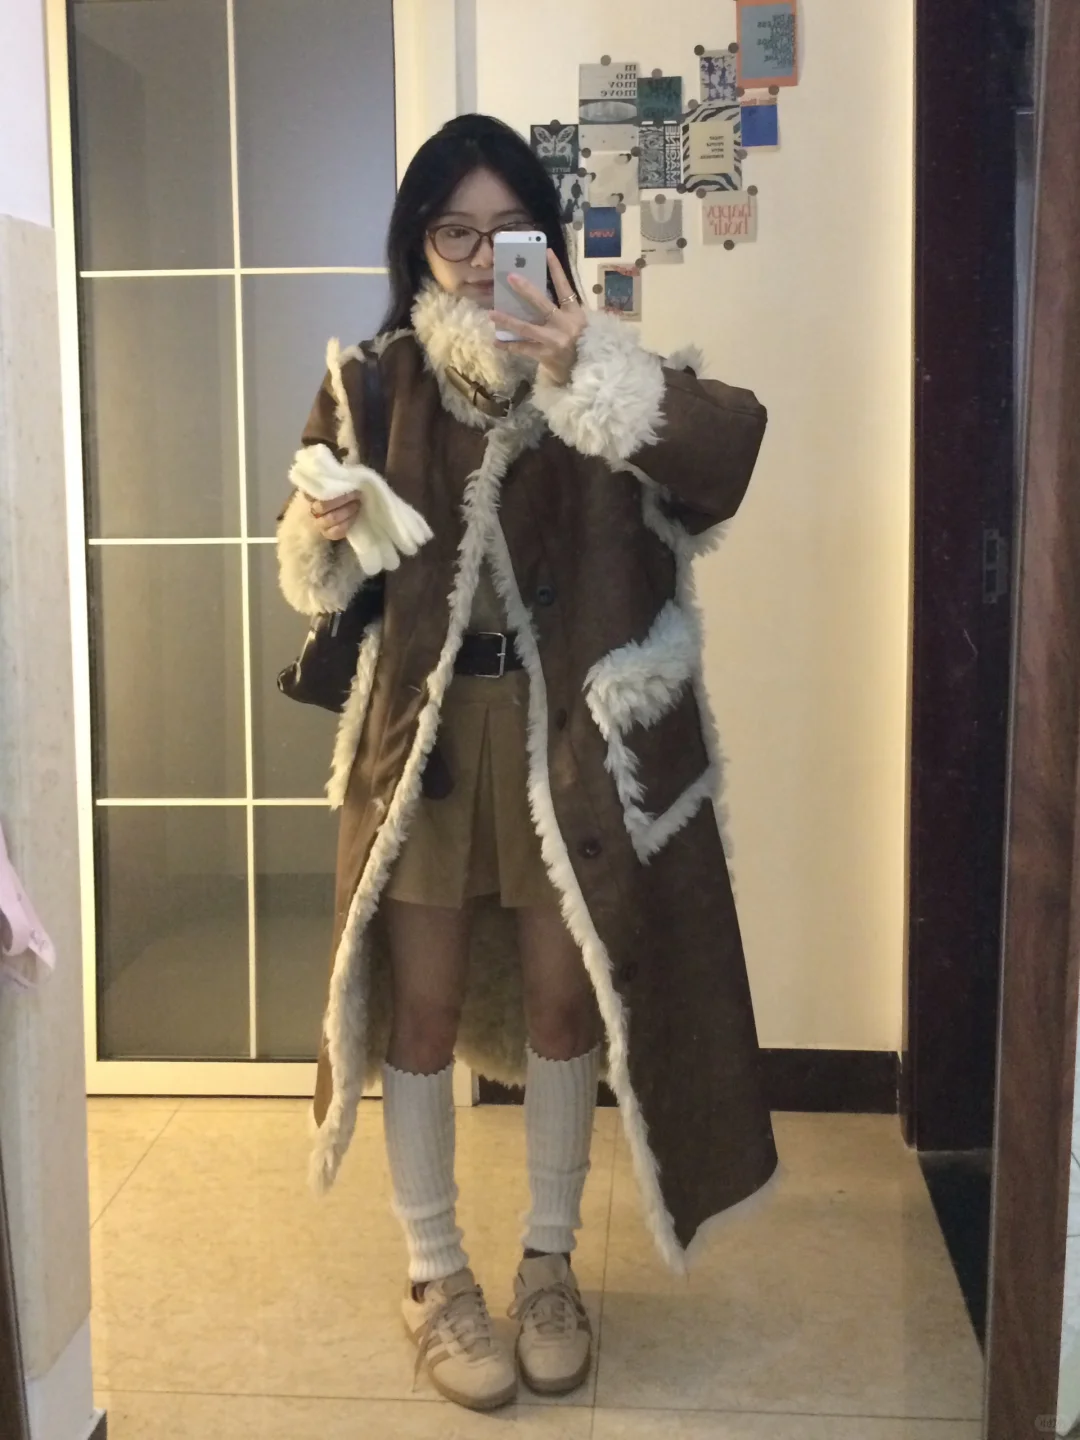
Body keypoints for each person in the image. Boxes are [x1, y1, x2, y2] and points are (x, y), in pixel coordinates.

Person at [277, 113, 780, 1414]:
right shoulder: (374, 383)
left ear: (545, 245)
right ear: (418, 245)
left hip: (569, 748)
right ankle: (435, 1276)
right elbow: (316, 573)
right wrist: (321, 527)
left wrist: (587, 364)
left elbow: (726, 456)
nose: (478, 257)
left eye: (507, 232)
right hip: (427, 745)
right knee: (423, 1013)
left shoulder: (594, 375)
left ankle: (549, 1264)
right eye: (455, 232)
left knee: (565, 1009)